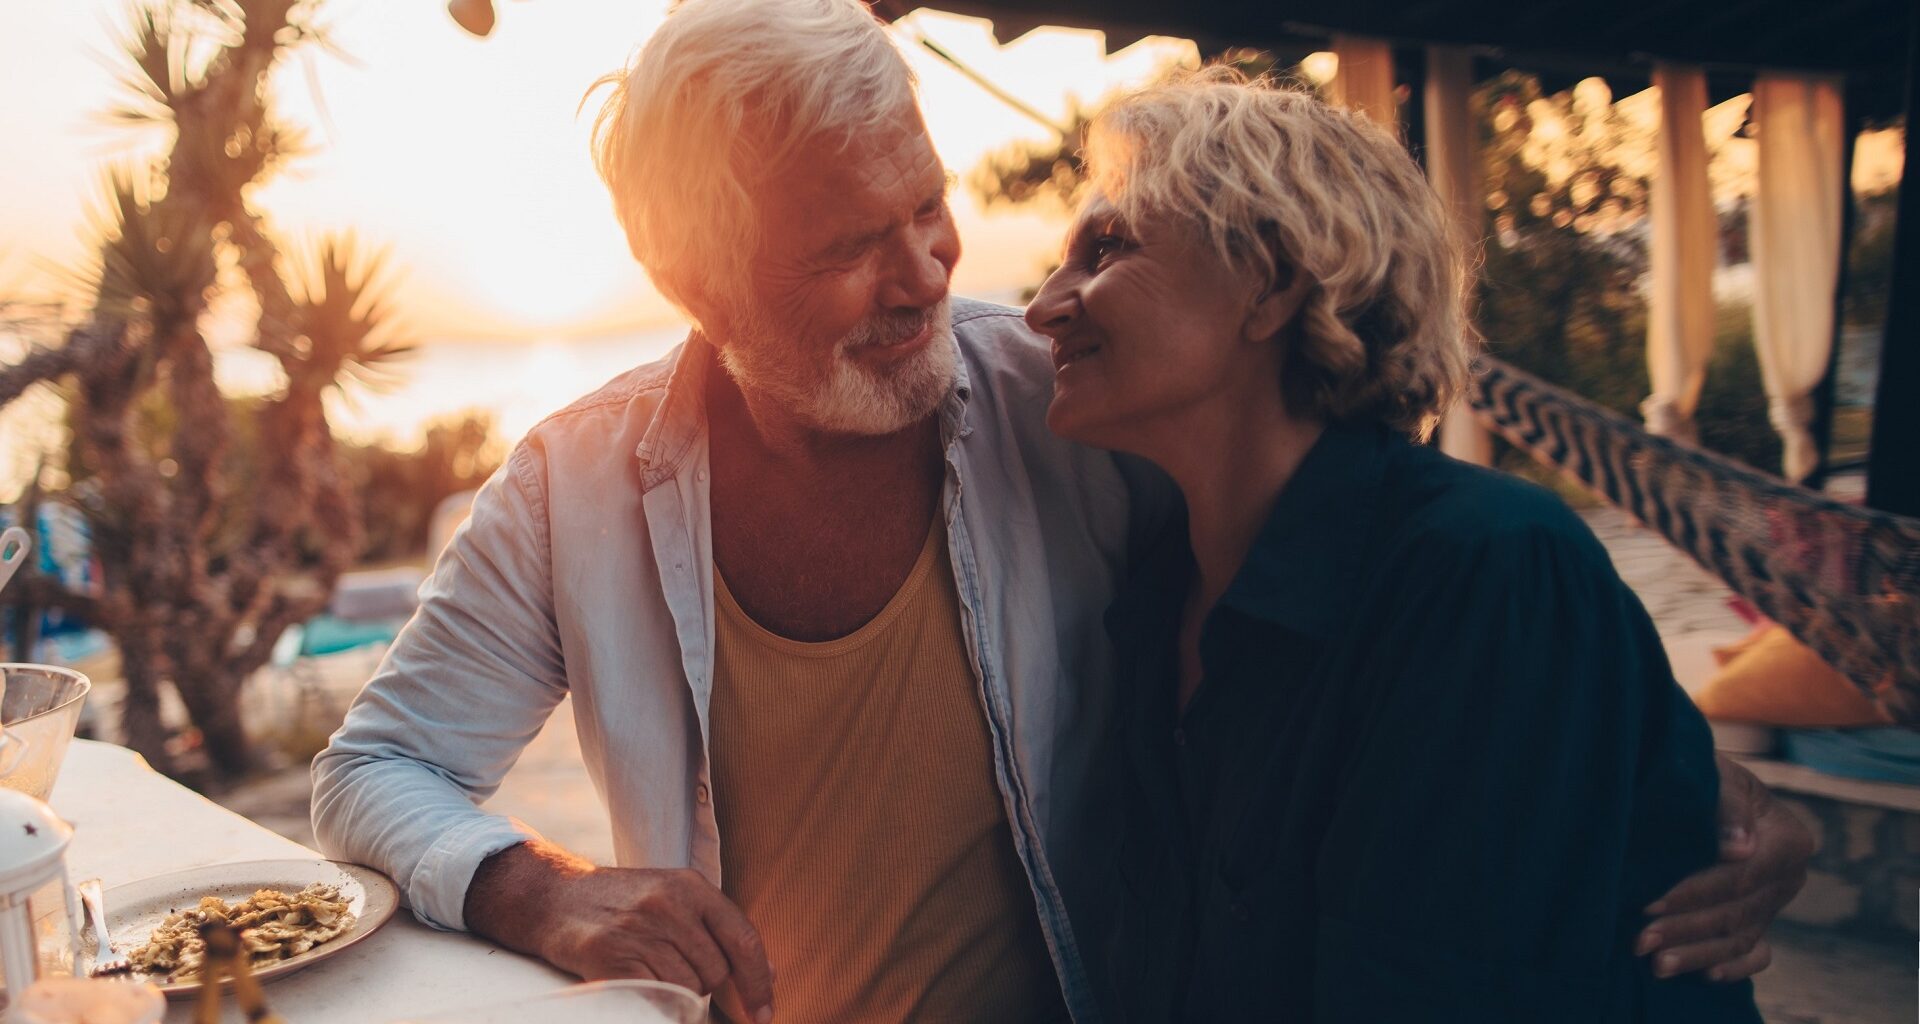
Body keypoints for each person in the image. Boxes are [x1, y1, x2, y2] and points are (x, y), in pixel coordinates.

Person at [313, 3, 1809, 1022]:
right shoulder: (573, 488)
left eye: (927, 210)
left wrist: (1664, 777)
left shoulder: (1072, 401)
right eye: (850, 246)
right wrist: (535, 892)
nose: (931, 281)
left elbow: (1396, 565)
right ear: (697, 284)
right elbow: (379, 763)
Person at [1025, 71, 1784, 1021]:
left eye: (1108, 248)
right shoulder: (1156, 591)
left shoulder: (1490, 574)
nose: (1043, 307)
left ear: (1269, 282)